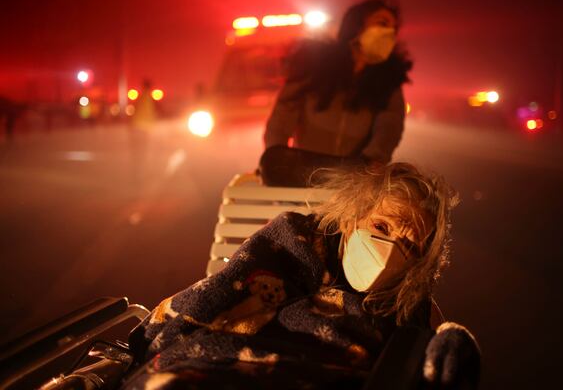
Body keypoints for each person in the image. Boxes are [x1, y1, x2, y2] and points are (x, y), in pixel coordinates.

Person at [125, 163, 480, 389]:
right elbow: (218, 294)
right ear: (351, 217)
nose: (390, 249)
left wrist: (451, 341)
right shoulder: (296, 241)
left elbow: (429, 344)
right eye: (382, 225)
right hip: (232, 364)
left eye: (410, 246)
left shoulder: (407, 300)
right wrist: (153, 344)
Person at [261, 0, 413, 186]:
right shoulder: (313, 65)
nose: (389, 32)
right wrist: (275, 156)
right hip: (304, 173)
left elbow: (389, 126)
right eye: (382, 23)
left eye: (393, 28)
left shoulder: (389, 82)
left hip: (353, 179)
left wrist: (374, 161)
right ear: (356, 25)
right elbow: (283, 116)